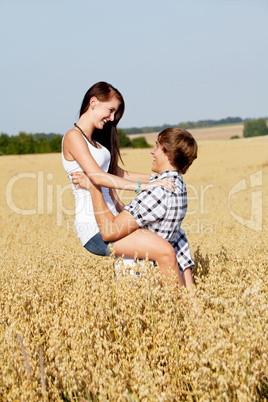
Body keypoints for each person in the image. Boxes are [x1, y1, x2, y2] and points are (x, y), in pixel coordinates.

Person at [62, 81, 186, 285]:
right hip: (95, 227)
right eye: (110, 110)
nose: (112, 118)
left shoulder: (96, 142)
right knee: (165, 252)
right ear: (93, 102)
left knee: (173, 244)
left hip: (114, 219)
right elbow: (98, 177)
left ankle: (179, 309)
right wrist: (144, 187)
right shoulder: (73, 137)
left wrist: (162, 178)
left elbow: (120, 173)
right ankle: (184, 312)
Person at [71, 128, 198, 288]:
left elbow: (109, 231)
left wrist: (93, 187)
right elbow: (136, 216)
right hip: (154, 271)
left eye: (157, 146)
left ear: (169, 153)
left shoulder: (158, 192)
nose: (152, 151)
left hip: (141, 275)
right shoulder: (178, 185)